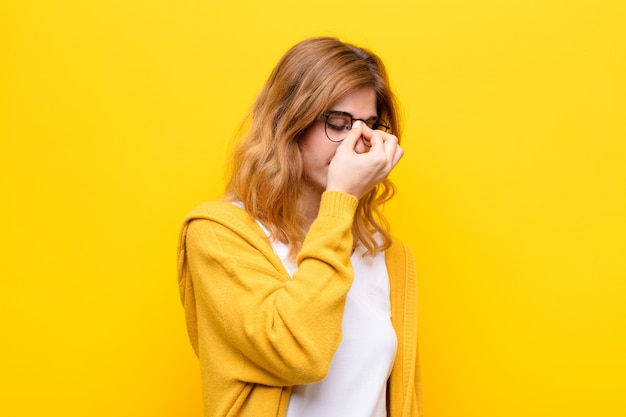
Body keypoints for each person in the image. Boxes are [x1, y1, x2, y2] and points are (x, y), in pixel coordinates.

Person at [177, 36, 421, 417]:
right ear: (288, 123)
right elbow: (298, 353)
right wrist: (341, 200)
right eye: (339, 124)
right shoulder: (219, 234)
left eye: (369, 126)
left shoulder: (387, 257)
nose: (356, 144)